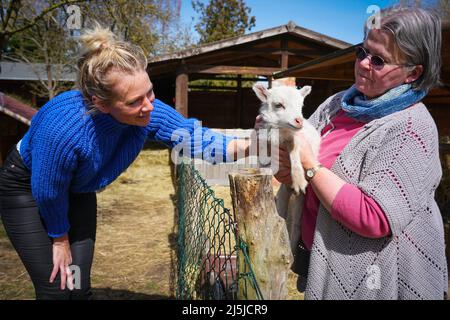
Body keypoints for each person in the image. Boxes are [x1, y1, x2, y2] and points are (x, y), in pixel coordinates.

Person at [0, 27, 249, 300]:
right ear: (101, 103)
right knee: (57, 288)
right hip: (27, 188)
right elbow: (48, 190)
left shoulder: (145, 112)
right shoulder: (64, 127)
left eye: (150, 93)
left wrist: (250, 146)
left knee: (78, 287)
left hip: (77, 189)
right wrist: (60, 238)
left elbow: (193, 137)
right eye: (135, 101)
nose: (149, 106)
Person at [275, 6, 448, 299]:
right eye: (362, 52)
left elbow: (374, 216)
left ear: (413, 73)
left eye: (379, 60)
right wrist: (282, 152)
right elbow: (292, 174)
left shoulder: (411, 127)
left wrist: (309, 164)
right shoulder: (336, 104)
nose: (364, 64)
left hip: (376, 278)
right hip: (319, 257)